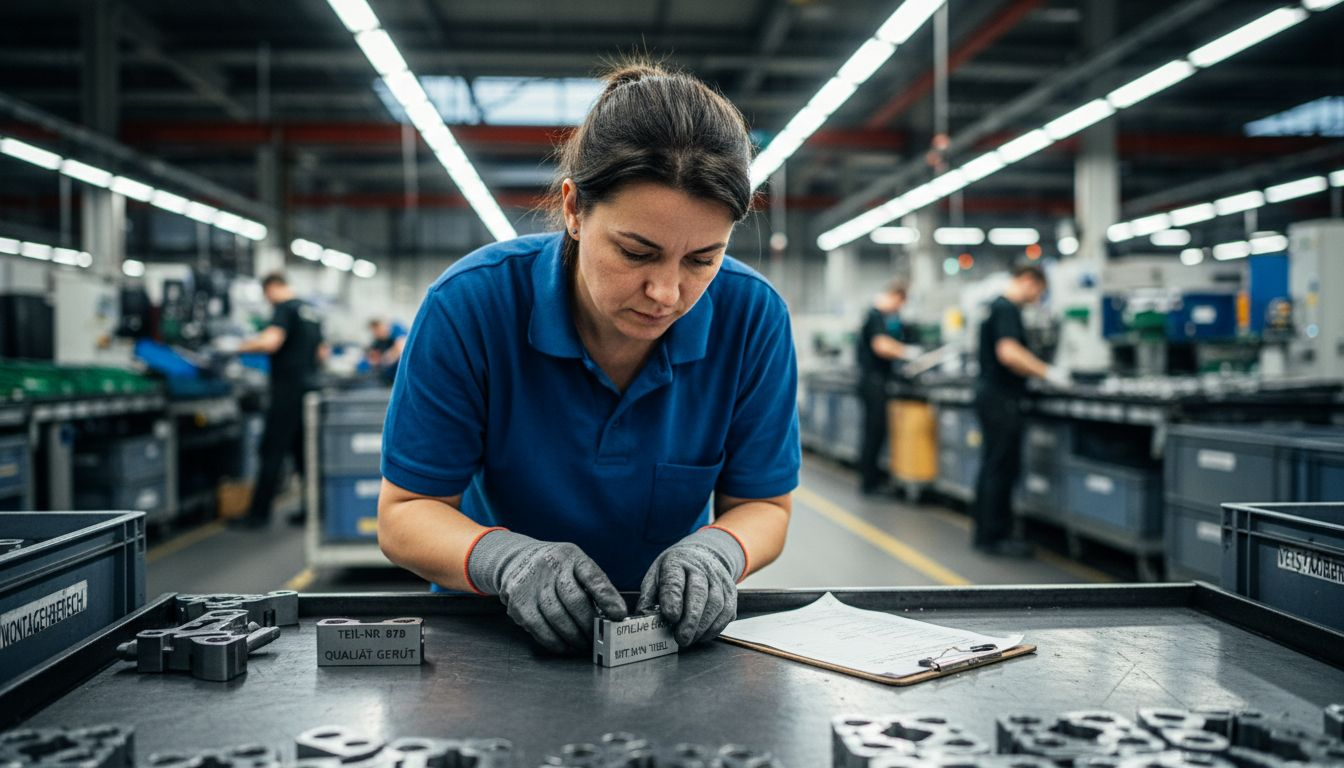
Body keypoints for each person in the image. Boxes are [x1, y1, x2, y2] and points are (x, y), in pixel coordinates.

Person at [377, 62, 800, 654]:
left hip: (661, 638)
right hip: (490, 634)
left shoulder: (752, 318)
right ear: (574, 209)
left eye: (702, 259)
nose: (667, 292)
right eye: (636, 252)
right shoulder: (471, 304)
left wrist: (718, 552)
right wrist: (507, 561)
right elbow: (405, 513)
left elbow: (763, 506)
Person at [971, 264, 1069, 556]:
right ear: (1028, 281)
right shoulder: (1007, 309)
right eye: (1039, 291)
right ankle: (995, 537)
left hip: (992, 396)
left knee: (992, 465)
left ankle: (985, 533)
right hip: (1002, 400)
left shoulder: (993, 306)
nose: (1037, 298)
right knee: (1001, 468)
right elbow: (1009, 353)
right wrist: (1046, 372)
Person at [234, 272, 325, 529]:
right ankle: (313, 511)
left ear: (271, 288)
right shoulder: (310, 311)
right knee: (304, 455)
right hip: (309, 391)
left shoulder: (284, 308)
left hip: (286, 392)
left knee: (271, 452)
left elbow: (272, 342)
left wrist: (238, 346)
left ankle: (257, 515)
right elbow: (321, 352)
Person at [855, 280, 920, 494]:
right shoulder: (875, 316)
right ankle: (869, 482)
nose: (899, 309)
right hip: (872, 382)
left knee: (877, 431)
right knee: (873, 431)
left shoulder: (882, 317)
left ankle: (873, 478)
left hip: (877, 381)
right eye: (900, 303)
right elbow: (881, 346)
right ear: (895, 296)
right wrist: (907, 352)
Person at [366, 318, 407, 384]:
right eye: (374, 332)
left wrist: (386, 358)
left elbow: (401, 347)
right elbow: (372, 360)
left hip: (404, 373)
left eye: (377, 330)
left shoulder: (396, 329)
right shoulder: (378, 342)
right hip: (390, 378)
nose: (376, 333)